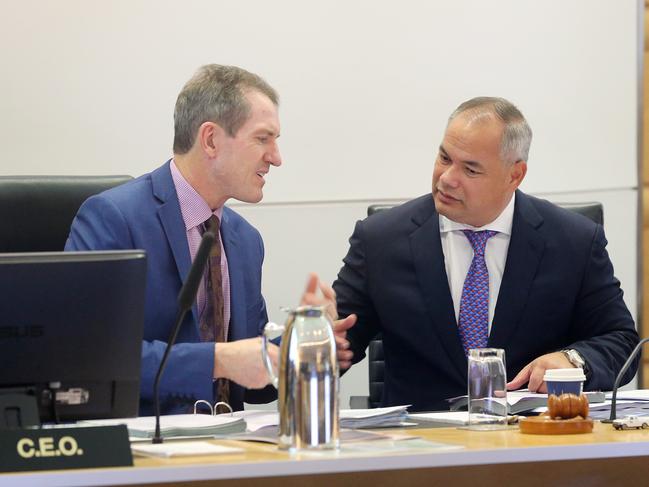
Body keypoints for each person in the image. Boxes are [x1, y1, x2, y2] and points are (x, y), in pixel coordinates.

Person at [66, 64, 355, 415]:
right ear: (211, 140)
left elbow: (254, 381)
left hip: (229, 448)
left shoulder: (246, 241)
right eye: (263, 139)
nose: (276, 158)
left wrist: (304, 341)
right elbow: (88, 355)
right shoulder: (114, 218)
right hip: (141, 449)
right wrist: (217, 360)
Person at [333, 96, 639, 411]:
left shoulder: (572, 242)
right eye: (444, 157)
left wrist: (572, 360)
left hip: (531, 442)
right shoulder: (380, 239)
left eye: (470, 169)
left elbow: (621, 341)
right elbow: (340, 343)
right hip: (418, 444)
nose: (447, 178)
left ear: (514, 175)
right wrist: (319, 339)